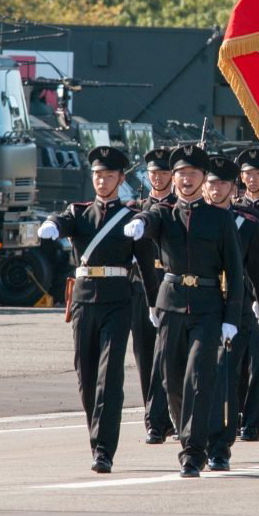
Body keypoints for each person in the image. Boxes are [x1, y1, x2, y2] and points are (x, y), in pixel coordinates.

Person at [123, 143, 244, 477]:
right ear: (173, 179)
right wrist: (139, 224)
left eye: (193, 174)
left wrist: (231, 318)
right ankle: (188, 435)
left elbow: (235, 272)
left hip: (207, 309)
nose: (186, 179)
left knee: (199, 379)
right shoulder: (164, 213)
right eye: (181, 174)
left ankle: (193, 451)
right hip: (172, 306)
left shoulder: (220, 219)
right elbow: (149, 219)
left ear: (204, 178)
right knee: (172, 380)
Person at [37, 146, 157, 473]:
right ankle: (95, 438)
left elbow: (146, 265)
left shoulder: (132, 217)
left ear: (121, 178)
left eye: (108, 175)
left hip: (119, 301)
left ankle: (104, 449)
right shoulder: (79, 213)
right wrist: (51, 225)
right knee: (86, 376)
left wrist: (152, 303)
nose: (101, 181)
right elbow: (61, 220)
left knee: (110, 375)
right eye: (97, 175)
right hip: (83, 301)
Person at [204, 155, 259, 471]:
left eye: (222, 183)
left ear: (233, 188)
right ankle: (197, 434)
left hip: (236, 309)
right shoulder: (190, 218)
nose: (215, 188)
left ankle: (220, 445)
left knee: (225, 377)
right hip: (198, 308)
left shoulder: (247, 223)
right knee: (193, 377)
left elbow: (257, 269)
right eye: (211, 183)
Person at [137, 148, 176, 445]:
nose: (158, 177)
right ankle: (152, 415)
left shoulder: (179, 209)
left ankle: (162, 419)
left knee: (169, 358)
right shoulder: (136, 208)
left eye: (164, 172)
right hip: (142, 290)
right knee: (146, 357)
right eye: (154, 173)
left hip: (173, 289)